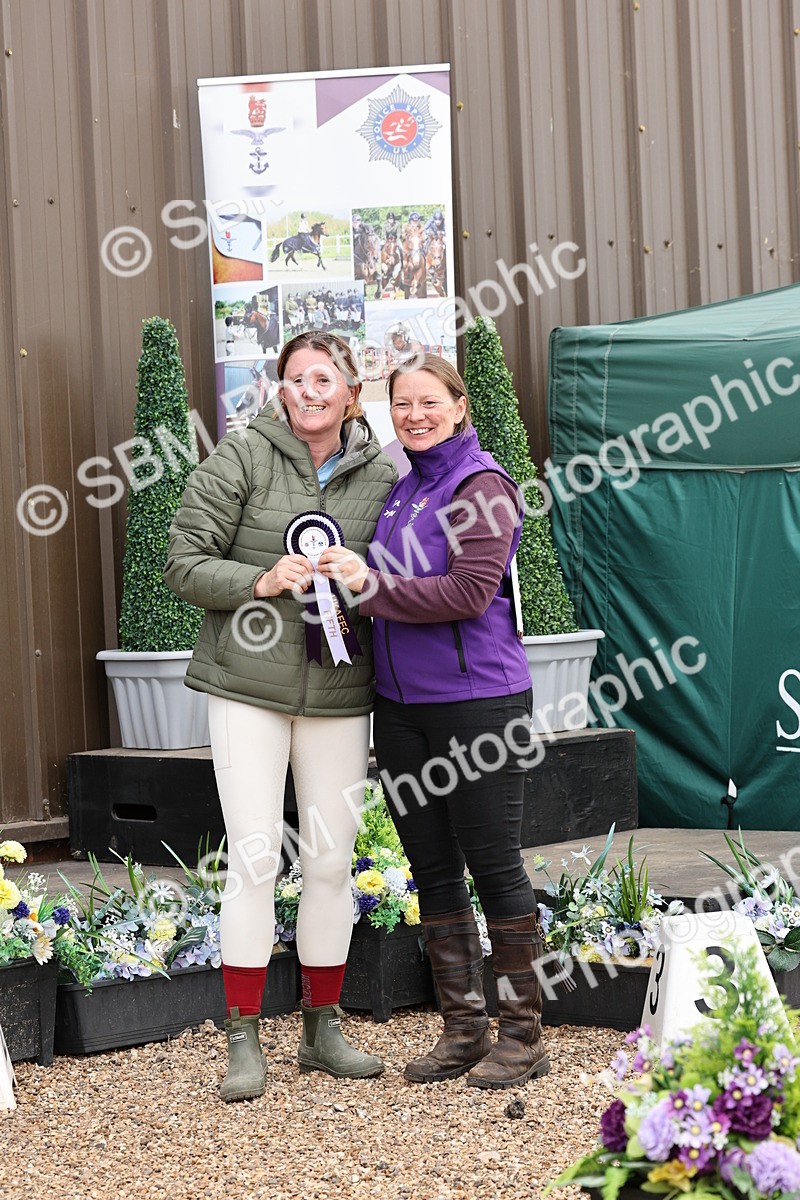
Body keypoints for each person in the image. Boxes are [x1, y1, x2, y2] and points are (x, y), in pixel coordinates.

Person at [164, 332, 397, 1102]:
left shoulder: (383, 471)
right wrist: (261, 578)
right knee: (257, 856)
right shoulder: (240, 457)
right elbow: (184, 565)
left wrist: (367, 576)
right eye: (294, 379)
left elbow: (406, 570)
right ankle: (242, 1037)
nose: (308, 391)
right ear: (280, 390)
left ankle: (322, 1027)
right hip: (245, 686)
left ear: (351, 393)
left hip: (339, 690)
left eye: (323, 379)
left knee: (331, 861)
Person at [317, 354, 549, 1091]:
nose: (414, 415)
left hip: (478, 703)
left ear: (458, 405)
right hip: (403, 709)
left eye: (428, 402)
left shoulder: (483, 485)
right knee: (433, 870)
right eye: (402, 404)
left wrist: (369, 584)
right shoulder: (402, 487)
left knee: (495, 864)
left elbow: (471, 591)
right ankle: (464, 1029)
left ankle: (524, 1036)